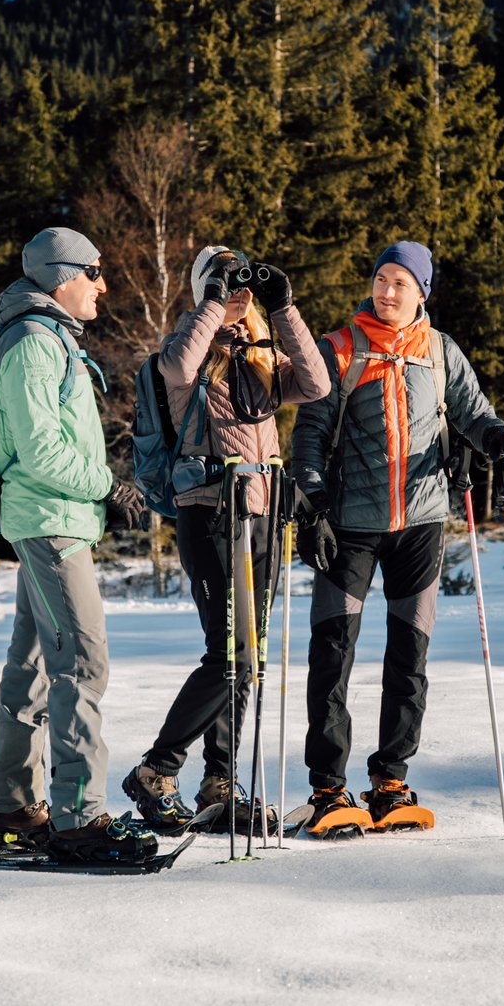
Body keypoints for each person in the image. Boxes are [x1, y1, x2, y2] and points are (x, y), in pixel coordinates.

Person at [289, 241, 504, 835]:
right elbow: (310, 433)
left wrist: (497, 435)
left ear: (422, 292)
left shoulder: (440, 351)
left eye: (400, 282)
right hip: (348, 527)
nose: (387, 291)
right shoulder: (339, 347)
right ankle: (328, 790)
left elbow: (473, 412)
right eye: (381, 279)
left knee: (409, 657)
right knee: (332, 655)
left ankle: (391, 783)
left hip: (421, 525)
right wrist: (313, 504)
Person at [122, 246, 328, 832]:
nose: (237, 290)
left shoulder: (259, 353)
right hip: (209, 511)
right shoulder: (185, 349)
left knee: (249, 656)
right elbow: (178, 368)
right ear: (202, 291)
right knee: (229, 653)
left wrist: (282, 308)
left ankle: (220, 780)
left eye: (240, 281)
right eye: (220, 280)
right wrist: (214, 301)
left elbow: (316, 384)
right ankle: (157, 769)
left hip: (261, 513)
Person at [0, 226, 151, 862]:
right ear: (61, 278)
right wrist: (110, 485)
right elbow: (41, 450)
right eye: (93, 272)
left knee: (31, 667)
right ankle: (79, 821)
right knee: (82, 664)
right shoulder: (33, 342)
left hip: (54, 518)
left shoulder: (50, 338)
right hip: (50, 521)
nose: (102, 285)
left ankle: (17, 808)